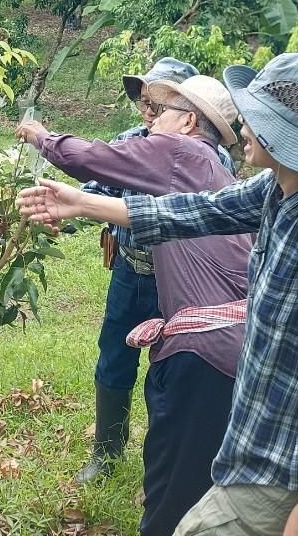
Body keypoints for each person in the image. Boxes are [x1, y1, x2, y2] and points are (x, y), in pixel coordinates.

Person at [20, 54, 298, 536]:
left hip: (286, 465)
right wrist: (83, 203)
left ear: (286, 134)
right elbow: (191, 212)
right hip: (250, 439)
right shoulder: (277, 189)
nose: (240, 125)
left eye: (255, 117)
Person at [17, 75, 250, 535]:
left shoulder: (179, 152)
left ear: (187, 121)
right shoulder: (207, 166)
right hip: (239, 342)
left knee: (171, 499)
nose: (151, 119)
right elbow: (151, 214)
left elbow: (92, 159)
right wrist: (81, 206)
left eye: (162, 110)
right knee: (208, 477)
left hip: (205, 350)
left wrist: (41, 136)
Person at [69, 56, 199, 485]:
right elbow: (94, 186)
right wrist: (63, 207)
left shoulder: (202, 154)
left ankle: (165, 462)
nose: (147, 110)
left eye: (158, 103)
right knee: (114, 358)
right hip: (129, 271)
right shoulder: (129, 140)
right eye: (144, 101)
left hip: (179, 283)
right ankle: (106, 454)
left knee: (174, 371)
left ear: (186, 111)